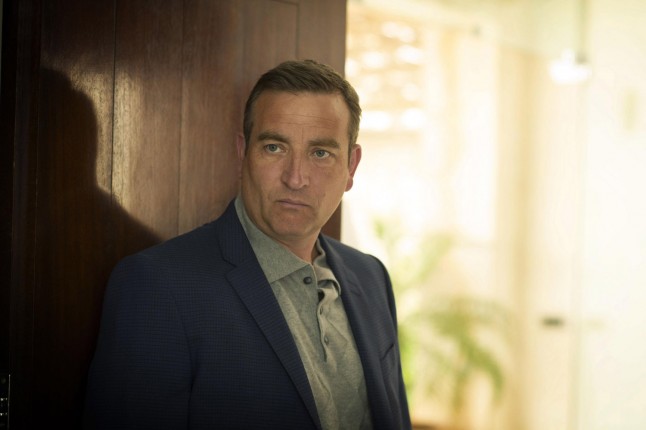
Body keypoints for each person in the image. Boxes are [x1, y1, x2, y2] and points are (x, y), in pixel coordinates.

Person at [84, 59, 411, 430]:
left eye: (320, 153)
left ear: (351, 167)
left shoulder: (371, 277)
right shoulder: (157, 286)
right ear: (243, 152)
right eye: (274, 147)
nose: (296, 178)